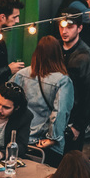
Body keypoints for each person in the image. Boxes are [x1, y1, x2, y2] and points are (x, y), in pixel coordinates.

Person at [13, 35, 72, 164]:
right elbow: (60, 112)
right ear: (58, 55)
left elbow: (10, 101)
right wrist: (53, 138)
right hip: (42, 141)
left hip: (21, 136)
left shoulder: (21, 74)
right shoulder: (62, 81)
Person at [58, 12, 90, 154]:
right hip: (54, 117)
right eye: (62, 26)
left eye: (70, 27)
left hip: (72, 120)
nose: (64, 31)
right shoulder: (55, 49)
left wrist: (78, 126)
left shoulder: (86, 56)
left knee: (71, 159)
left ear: (80, 28)